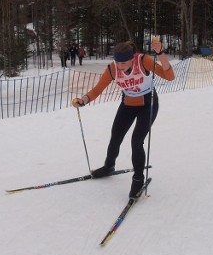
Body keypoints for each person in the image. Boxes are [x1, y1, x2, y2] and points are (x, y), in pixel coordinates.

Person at [71, 39, 175, 198]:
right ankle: (109, 166)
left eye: (124, 63)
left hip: (148, 104)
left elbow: (170, 76)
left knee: (136, 140)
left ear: (132, 58)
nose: (120, 66)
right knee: (116, 135)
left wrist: (160, 53)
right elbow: (98, 88)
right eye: (117, 62)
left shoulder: (143, 61)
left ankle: (138, 179)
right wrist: (83, 100)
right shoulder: (113, 68)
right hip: (128, 104)